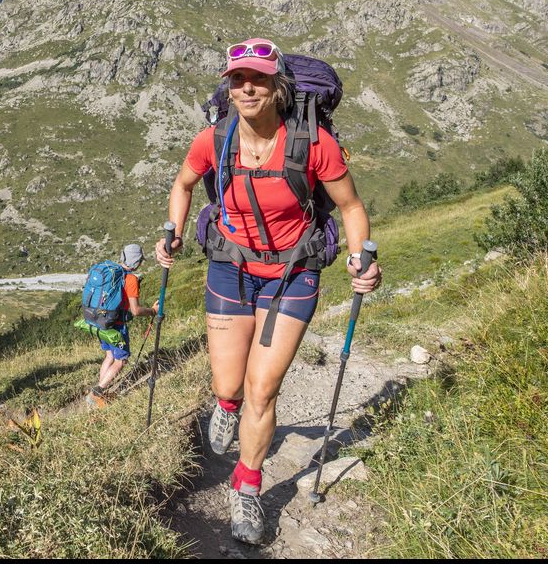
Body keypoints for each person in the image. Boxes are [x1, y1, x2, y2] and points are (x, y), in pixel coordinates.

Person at [154, 38, 382, 545]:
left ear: (277, 85)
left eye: (257, 77)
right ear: (228, 87)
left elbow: (350, 206)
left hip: (293, 274)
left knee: (262, 388)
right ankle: (226, 407)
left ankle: (247, 487)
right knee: (229, 386)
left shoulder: (314, 143)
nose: (247, 86)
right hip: (230, 268)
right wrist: (171, 231)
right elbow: (184, 184)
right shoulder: (213, 140)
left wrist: (361, 257)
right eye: (237, 79)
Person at [86, 244, 159, 408]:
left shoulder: (112, 272)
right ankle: (95, 394)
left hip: (100, 321)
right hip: (116, 325)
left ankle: (100, 392)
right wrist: (153, 311)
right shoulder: (130, 279)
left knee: (109, 356)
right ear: (137, 262)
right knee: (121, 360)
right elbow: (136, 311)